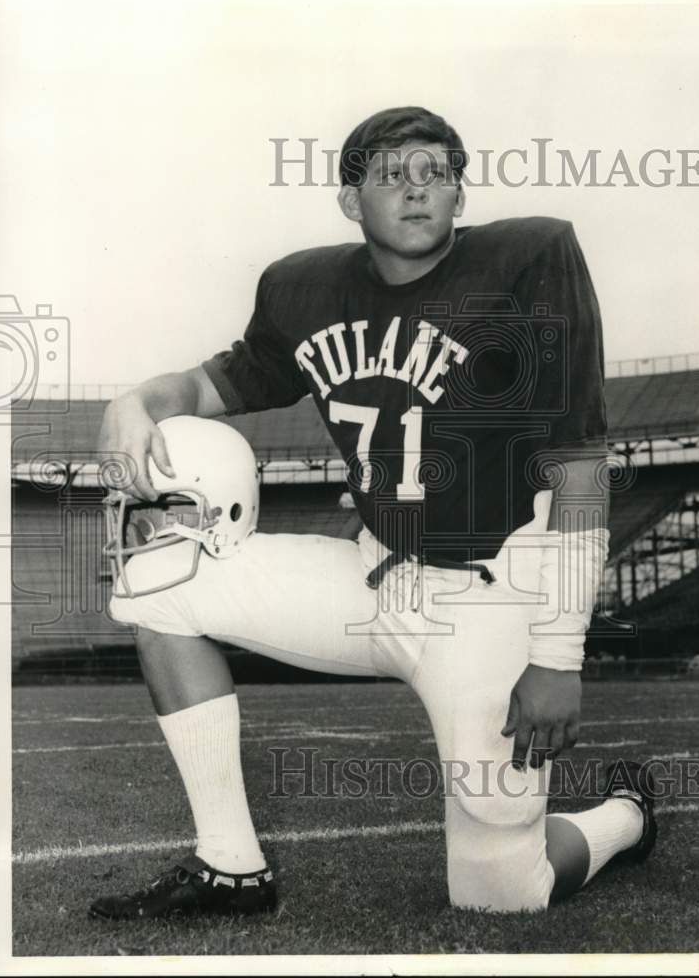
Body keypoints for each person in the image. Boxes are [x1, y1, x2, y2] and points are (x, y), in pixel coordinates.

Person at [91, 106, 656, 920]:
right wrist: (135, 400)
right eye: (392, 174)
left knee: (501, 891)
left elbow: (578, 467)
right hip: (373, 575)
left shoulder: (531, 257)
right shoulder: (304, 287)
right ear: (351, 201)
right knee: (155, 583)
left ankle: (624, 816)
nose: (416, 190)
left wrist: (559, 655)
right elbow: (215, 385)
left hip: (493, 596)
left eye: (435, 173)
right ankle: (229, 866)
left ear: (460, 194)